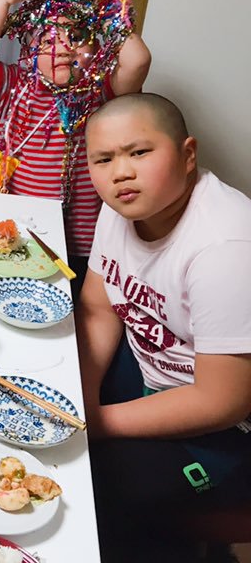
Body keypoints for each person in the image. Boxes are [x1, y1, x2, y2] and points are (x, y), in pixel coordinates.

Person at [79, 93, 251, 563]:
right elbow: (98, 307)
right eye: (104, 159)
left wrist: (95, 423)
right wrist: (80, 395)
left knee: (102, 491)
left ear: (188, 154)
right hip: (147, 369)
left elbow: (223, 400)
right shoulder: (122, 207)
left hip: (227, 425)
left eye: (139, 152)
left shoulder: (225, 246)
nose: (121, 173)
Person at [0, 0, 152, 275]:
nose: (63, 49)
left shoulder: (99, 92)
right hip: (10, 230)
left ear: (99, 46)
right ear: (31, 49)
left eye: (77, 37)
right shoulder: (13, 86)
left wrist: (102, 5)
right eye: (49, 41)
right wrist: (4, 1)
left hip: (77, 240)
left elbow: (138, 61)